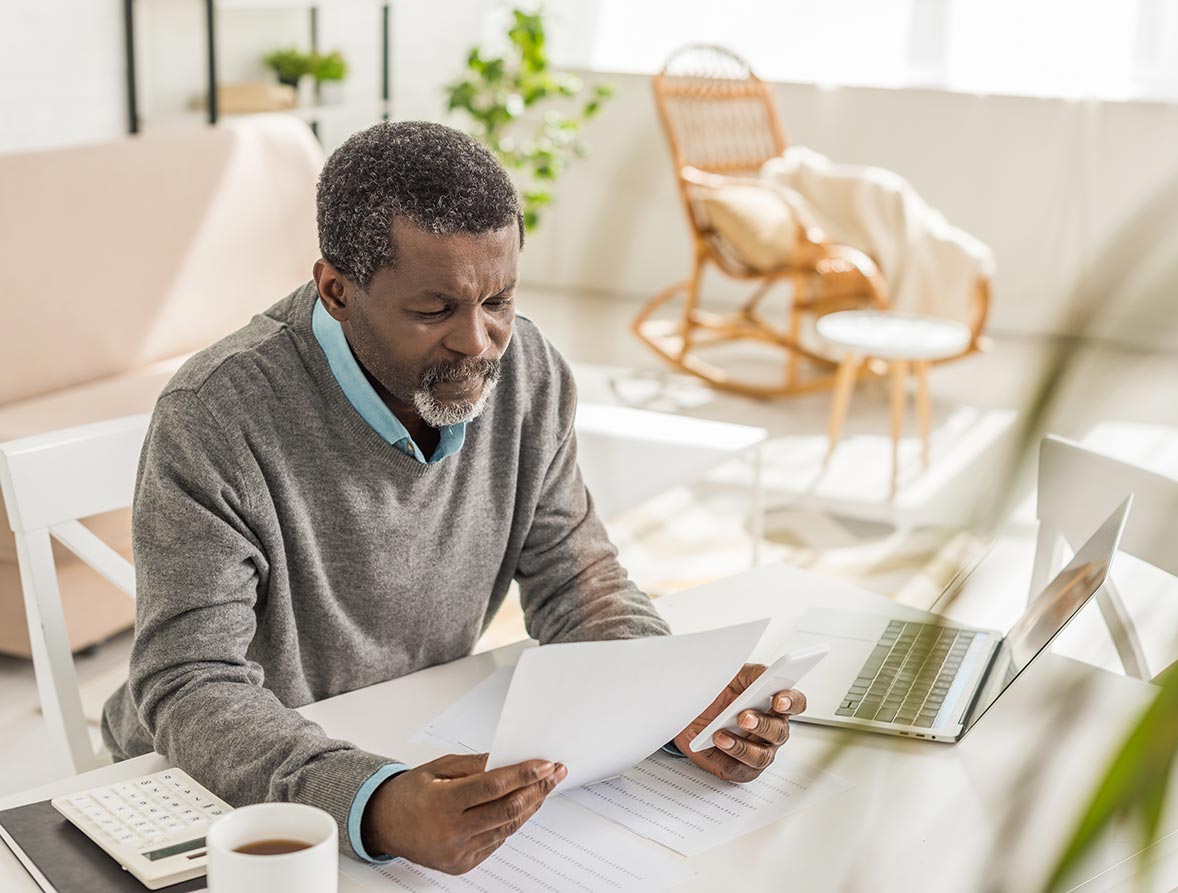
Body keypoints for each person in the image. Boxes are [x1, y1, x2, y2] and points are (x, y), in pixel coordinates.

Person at [101, 120, 807, 875]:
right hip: (211, 792)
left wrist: (674, 703)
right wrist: (372, 798)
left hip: (407, 739)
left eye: (499, 298)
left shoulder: (526, 369)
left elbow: (578, 580)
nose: (480, 341)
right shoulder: (218, 413)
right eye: (435, 309)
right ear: (337, 290)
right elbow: (190, 680)